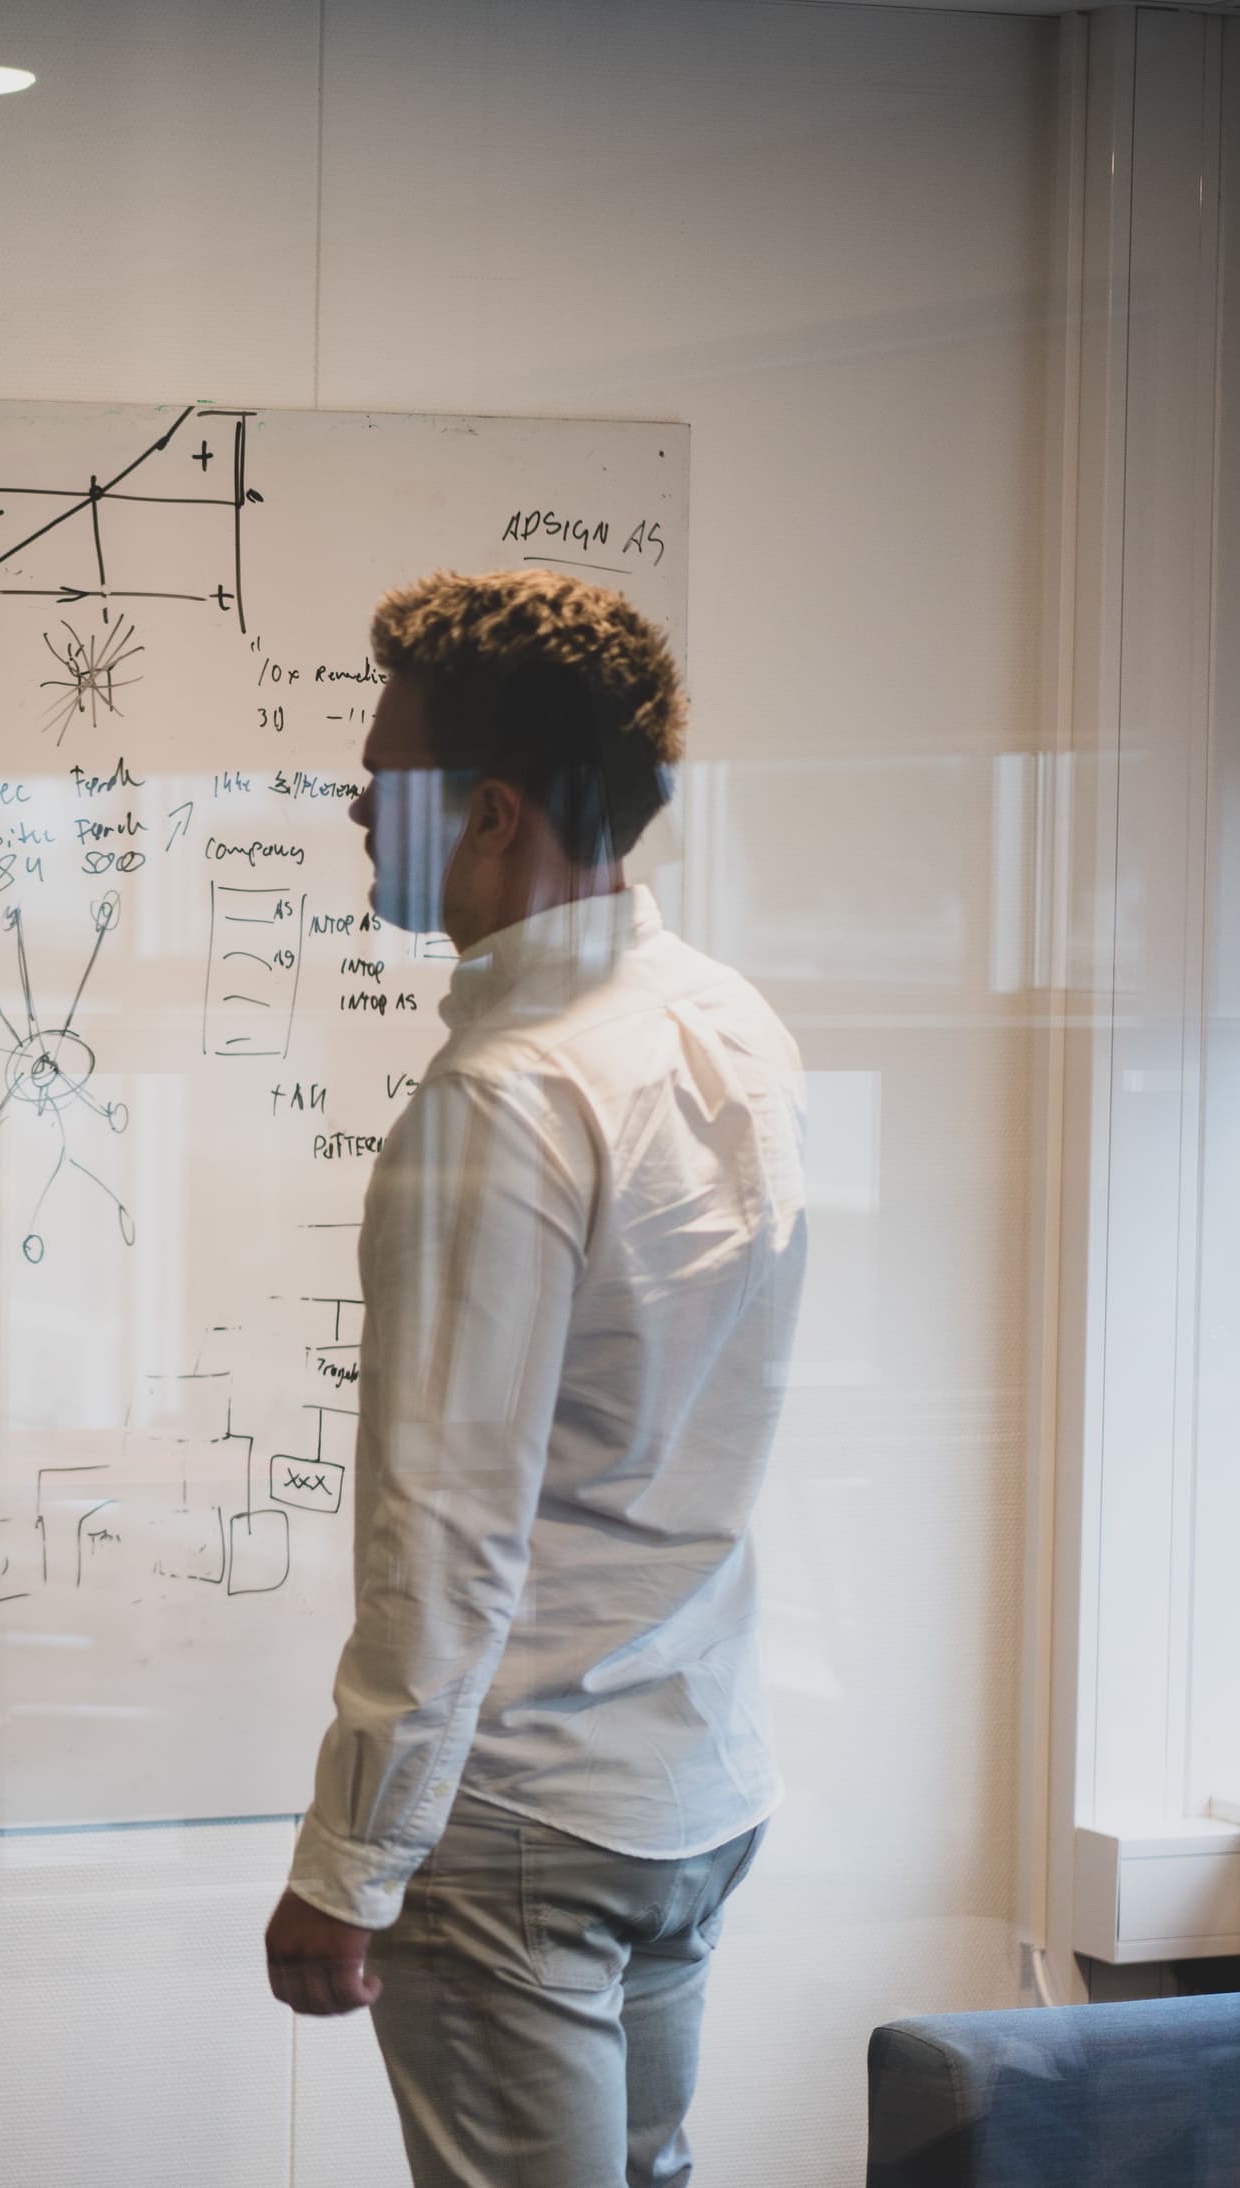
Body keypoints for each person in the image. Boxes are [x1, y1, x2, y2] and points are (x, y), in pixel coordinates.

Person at [260, 572, 808, 2188]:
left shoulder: (502, 1097)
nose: (355, 799)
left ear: (492, 815)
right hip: (688, 1790)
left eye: (387, 771)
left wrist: (349, 1865)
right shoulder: (730, 1027)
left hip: (519, 1823)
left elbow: (447, 1541)